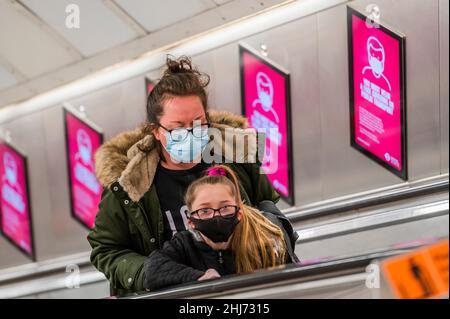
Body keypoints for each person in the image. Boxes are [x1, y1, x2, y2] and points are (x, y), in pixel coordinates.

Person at [87, 56, 287, 296]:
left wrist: (272, 243)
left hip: (241, 291)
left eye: (198, 124)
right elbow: (106, 249)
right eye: (178, 127)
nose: (190, 133)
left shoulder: (237, 159)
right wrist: (149, 274)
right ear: (157, 132)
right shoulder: (129, 183)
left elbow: (268, 210)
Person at [143, 165, 299, 291]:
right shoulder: (184, 244)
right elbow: (153, 270)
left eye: (225, 207)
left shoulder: (264, 240)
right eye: (205, 211)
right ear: (191, 221)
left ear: (239, 213)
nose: (215, 216)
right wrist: (200, 276)